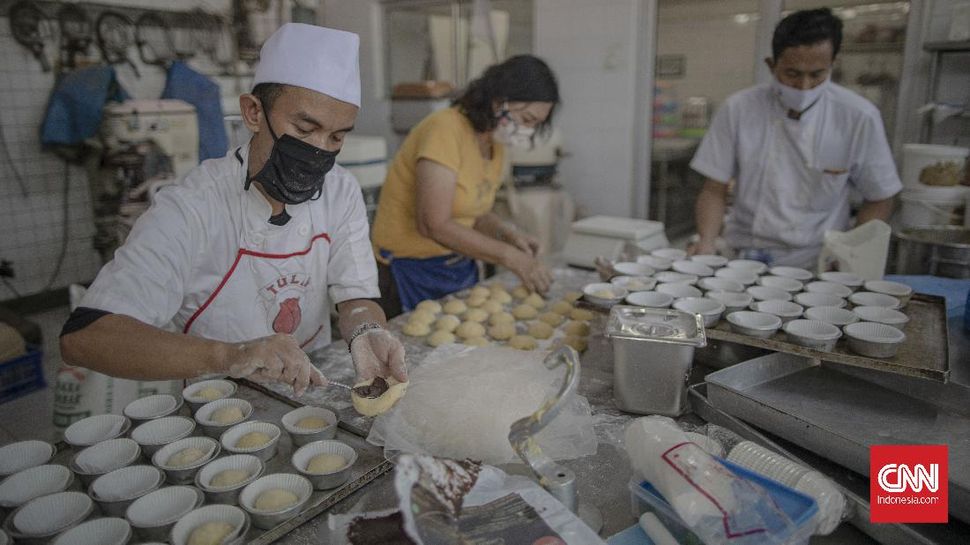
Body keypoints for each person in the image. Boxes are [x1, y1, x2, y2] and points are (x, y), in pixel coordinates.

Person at [59, 23, 406, 396]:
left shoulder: (340, 190)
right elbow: (85, 337)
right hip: (216, 403)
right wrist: (232, 355)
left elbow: (355, 293)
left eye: (337, 136)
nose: (320, 150)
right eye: (305, 128)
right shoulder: (191, 207)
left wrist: (366, 331)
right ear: (254, 112)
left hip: (313, 391)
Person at [689, 8, 902, 269]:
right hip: (743, 253)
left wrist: (849, 253)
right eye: (792, 73)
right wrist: (707, 241)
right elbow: (714, 188)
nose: (804, 87)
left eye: (816, 74)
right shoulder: (739, 108)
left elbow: (880, 196)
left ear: (832, 65)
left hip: (816, 259)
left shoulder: (858, 117)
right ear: (771, 65)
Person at [371, 55, 560, 317]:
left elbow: (474, 213)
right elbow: (433, 224)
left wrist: (508, 235)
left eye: (536, 125)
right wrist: (511, 257)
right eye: (527, 119)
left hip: (456, 265)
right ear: (499, 99)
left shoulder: (495, 145)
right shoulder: (445, 129)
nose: (528, 130)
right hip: (406, 269)